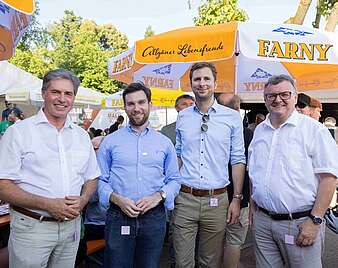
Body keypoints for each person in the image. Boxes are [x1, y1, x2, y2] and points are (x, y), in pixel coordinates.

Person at [0, 69, 101, 268]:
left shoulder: (81, 136)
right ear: (44, 93)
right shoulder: (18, 132)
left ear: (73, 98)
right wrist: (47, 204)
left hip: (70, 228)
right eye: (56, 92)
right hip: (32, 227)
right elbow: (3, 186)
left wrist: (83, 200)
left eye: (68, 94)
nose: (62, 99)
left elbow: (92, 178)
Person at [248, 74, 338, 268]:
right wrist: (252, 205)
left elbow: (329, 179)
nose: (277, 99)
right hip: (263, 222)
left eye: (284, 94)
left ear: (295, 98)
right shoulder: (260, 131)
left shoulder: (315, 131)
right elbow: (254, 172)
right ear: (265, 99)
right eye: (271, 95)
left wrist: (315, 220)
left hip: (300, 223)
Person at [97, 82, 181, 268]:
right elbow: (100, 180)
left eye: (141, 102)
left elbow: (174, 179)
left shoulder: (165, 143)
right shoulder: (110, 142)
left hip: (154, 217)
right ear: (125, 107)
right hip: (119, 215)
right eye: (131, 104)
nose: (137, 108)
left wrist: (159, 196)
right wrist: (117, 199)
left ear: (150, 104)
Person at [173, 62, 246, 268]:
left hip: (218, 200)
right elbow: (178, 155)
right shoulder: (183, 116)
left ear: (215, 83)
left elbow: (238, 159)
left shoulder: (232, 118)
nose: (202, 83)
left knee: (209, 262)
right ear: (191, 84)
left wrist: (236, 199)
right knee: (182, 263)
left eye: (206, 79)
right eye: (197, 79)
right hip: (185, 198)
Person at [217, 93, 253, 268]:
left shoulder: (212, 131)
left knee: (214, 241)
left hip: (214, 195)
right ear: (238, 109)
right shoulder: (248, 134)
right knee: (234, 240)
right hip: (239, 198)